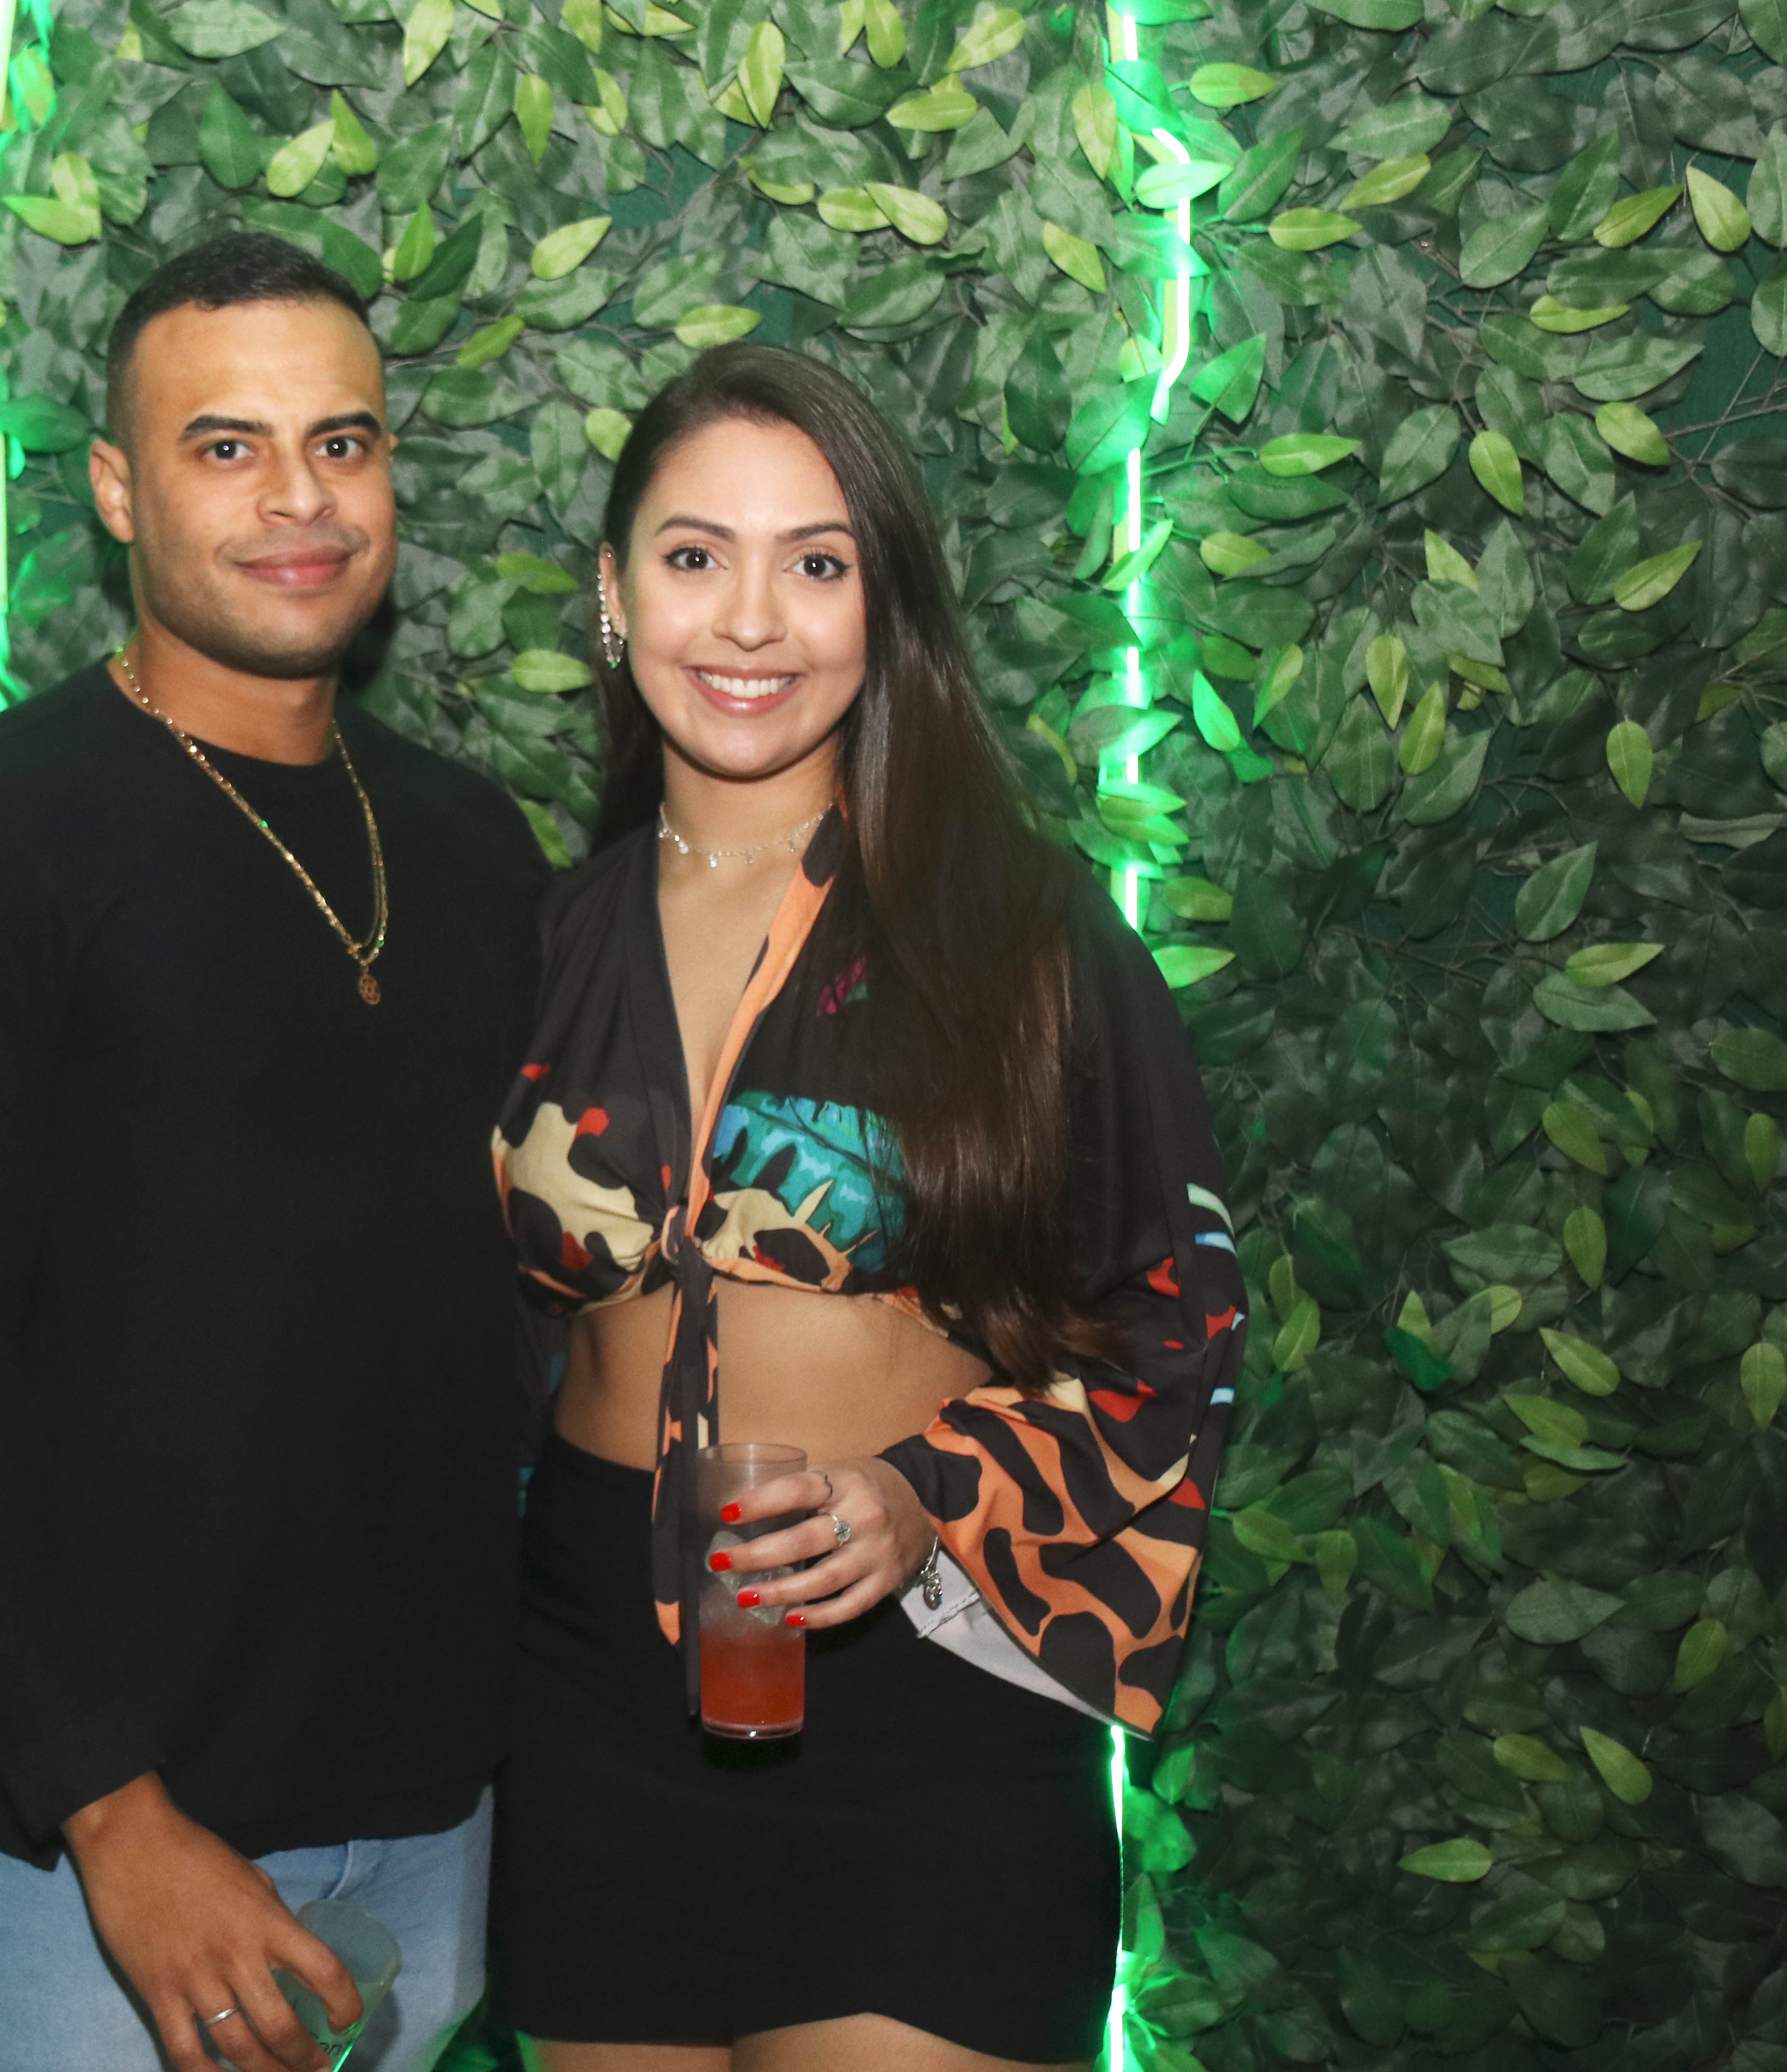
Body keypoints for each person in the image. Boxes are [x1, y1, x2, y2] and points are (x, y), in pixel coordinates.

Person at [0, 233, 550, 2072]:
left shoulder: (474, 847)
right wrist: (113, 1816)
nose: (299, 499)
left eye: (342, 442)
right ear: (120, 492)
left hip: (437, 1817)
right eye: (226, 448)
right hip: (103, 1867)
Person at [487, 344, 1245, 2070]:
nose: (751, 620)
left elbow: (1181, 1313)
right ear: (613, 594)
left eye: (816, 562)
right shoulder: (536, 944)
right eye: (696, 556)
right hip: (586, 1697)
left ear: (881, 607)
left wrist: (926, 1497)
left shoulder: (1021, 938)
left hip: (921, 1705)